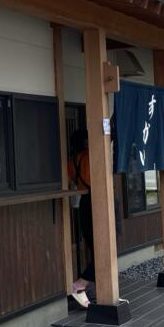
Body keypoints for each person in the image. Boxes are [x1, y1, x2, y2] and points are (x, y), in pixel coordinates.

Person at [67, 129, 94, 308]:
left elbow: (71, 181)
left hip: (84, 202)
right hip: (98, 201)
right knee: (106, 248)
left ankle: (84, 283)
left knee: (94, 246)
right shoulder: (91, 157)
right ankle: (80, 283)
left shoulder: (72, 161)